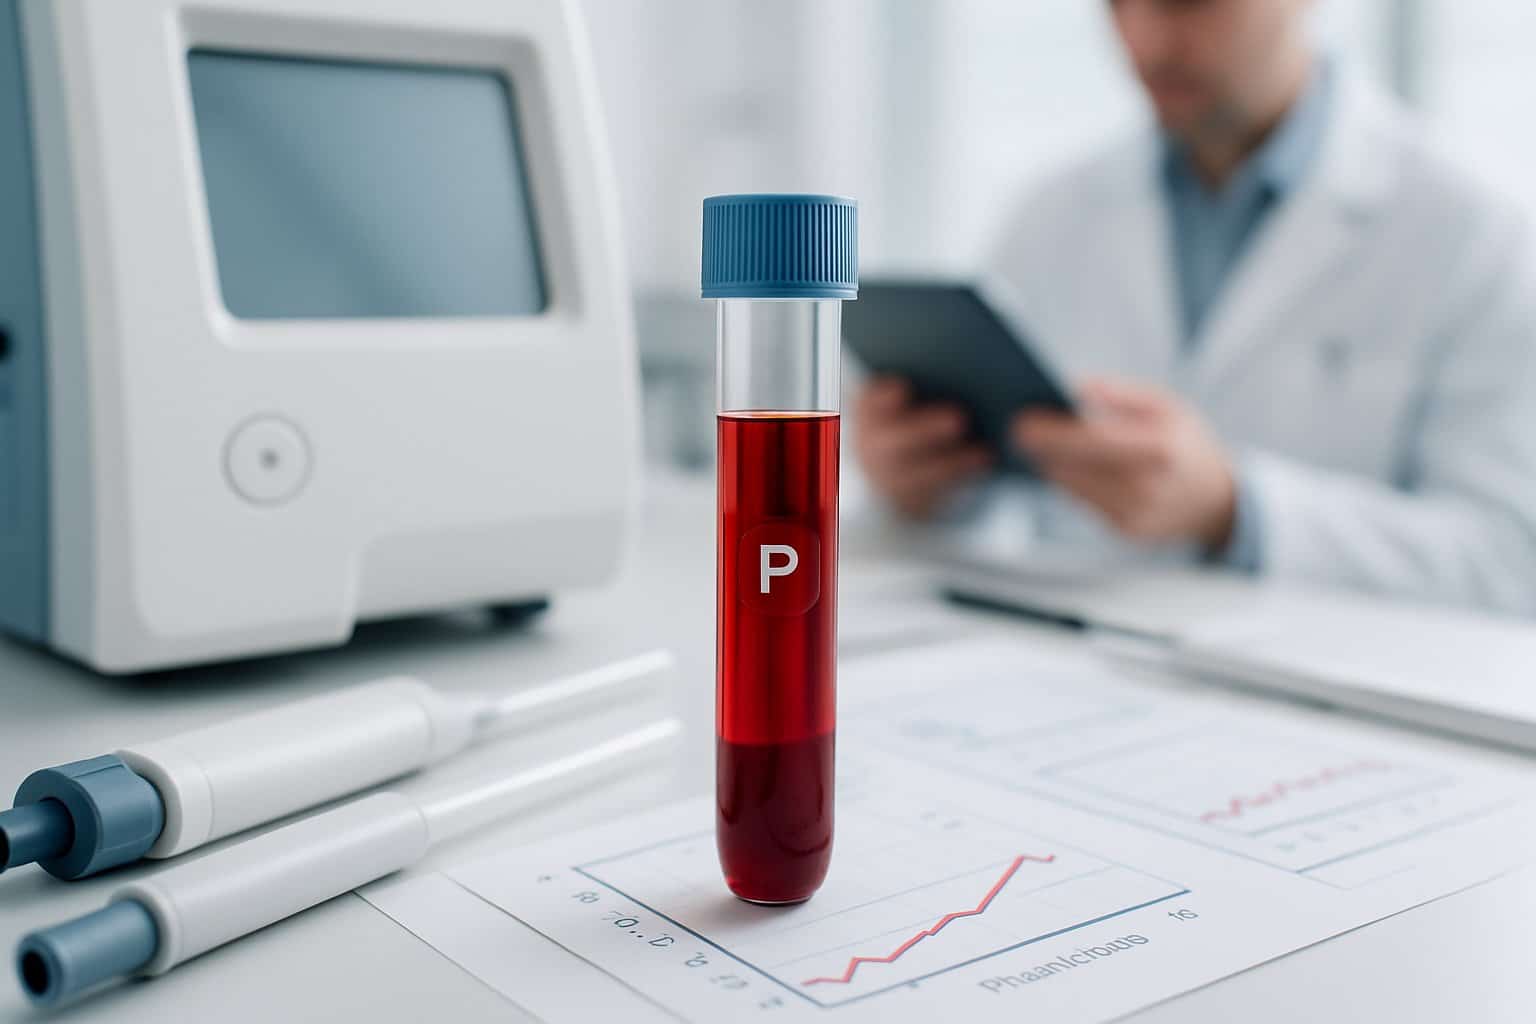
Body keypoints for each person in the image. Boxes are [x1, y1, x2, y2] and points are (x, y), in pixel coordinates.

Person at [854, 0, 1536, 616]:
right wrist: (925, 488)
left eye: (1190, 3)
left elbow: (1509, 563)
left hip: (1325, 681)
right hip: (1075, 662)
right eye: (1117, 4)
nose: (1147, 41)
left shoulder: (1474, 232)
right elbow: (1009, 519)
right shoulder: (1050, 214)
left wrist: (1236, 511)